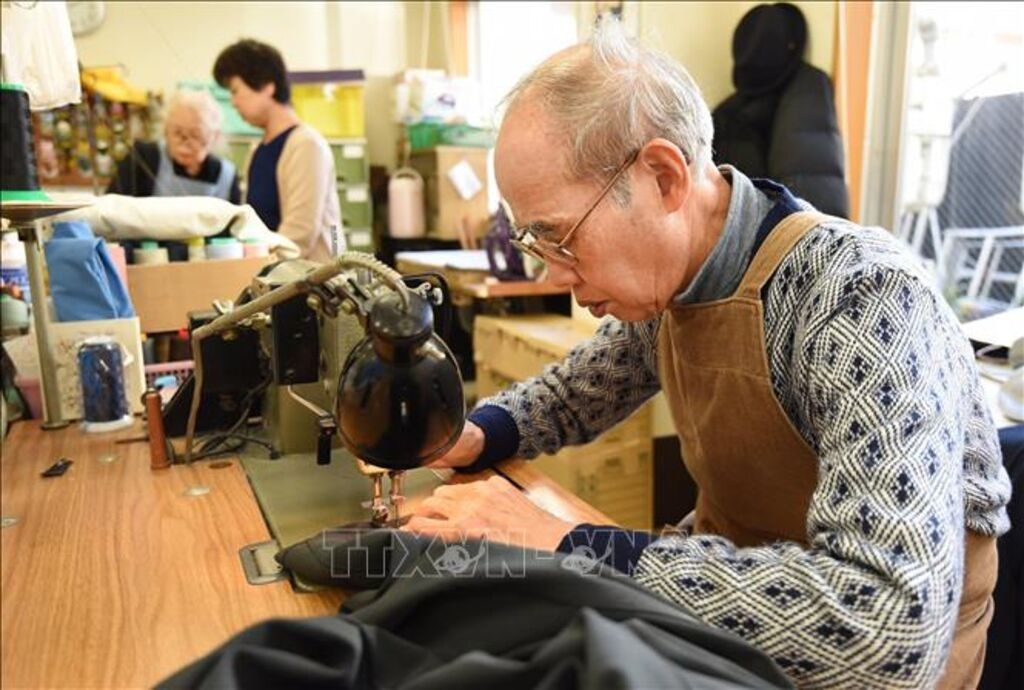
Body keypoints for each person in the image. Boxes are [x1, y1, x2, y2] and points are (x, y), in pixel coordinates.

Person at [404, 18, 1011, 689]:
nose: (554, 274)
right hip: (733, 626)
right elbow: (581, 389)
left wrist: (573, 547)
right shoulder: (673, 288)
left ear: (664, 177)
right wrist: (474, 435)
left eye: (560, 237)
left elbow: (885, 627)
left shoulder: (861, 297)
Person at [212, 39, 342, 262]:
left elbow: (298, 236)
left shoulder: (306, 145)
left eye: (236, 91)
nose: (233, 102)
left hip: (310, 285)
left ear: (267, 86)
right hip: (275, 279)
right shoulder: (257, 150)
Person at [107, 90, 240, 203]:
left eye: (195, 135)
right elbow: (113, 209)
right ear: (166, 131)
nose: (185, 143)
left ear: (214, 137)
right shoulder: (143, 158)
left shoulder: (226, 176)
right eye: (178, 133)